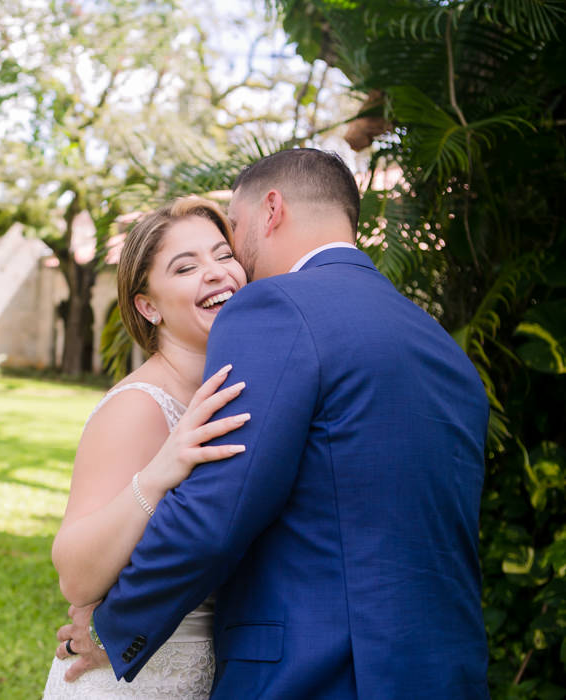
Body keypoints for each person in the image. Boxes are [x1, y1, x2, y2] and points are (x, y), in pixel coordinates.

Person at [62, 148, 490, 699]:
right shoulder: (438, 343)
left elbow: (219, 512)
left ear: (271, 210)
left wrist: (114, 624)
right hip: (439, 668)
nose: (233, 258)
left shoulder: (276, 308)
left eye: (232, 232)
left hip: (318, 670)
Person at [42, 196, 251, 698]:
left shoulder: (238, 385)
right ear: (148, 305)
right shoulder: (138, 406)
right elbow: (74, 574)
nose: (216, 273)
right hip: (134, 682)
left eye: (224, 255)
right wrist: (160, 472)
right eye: (186, 267)